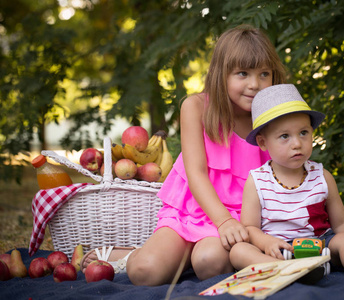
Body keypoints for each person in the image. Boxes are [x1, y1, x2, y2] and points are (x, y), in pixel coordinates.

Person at [80, 25, 286, 286]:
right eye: (242, 73)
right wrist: (222, 222)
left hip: (244, 217)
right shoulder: (197, 107)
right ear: (221, 75)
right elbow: (196, 173)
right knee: (145, 272)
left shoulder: (272, 117)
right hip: (195, 208)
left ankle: (186, 257)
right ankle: (132, 255)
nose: (254, 84)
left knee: (210, 263)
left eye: (264, 74)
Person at [229, 84, 344, 284]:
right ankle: (281, 269)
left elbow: (343, 224)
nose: (297, 143)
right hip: (277, 250)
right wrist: (267, 242)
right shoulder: (258, 180)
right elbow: (250, 227)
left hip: (319, 246)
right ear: (262, 143)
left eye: (303, 132)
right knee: (239, 251)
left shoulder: (322, 177)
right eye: (284, 136)